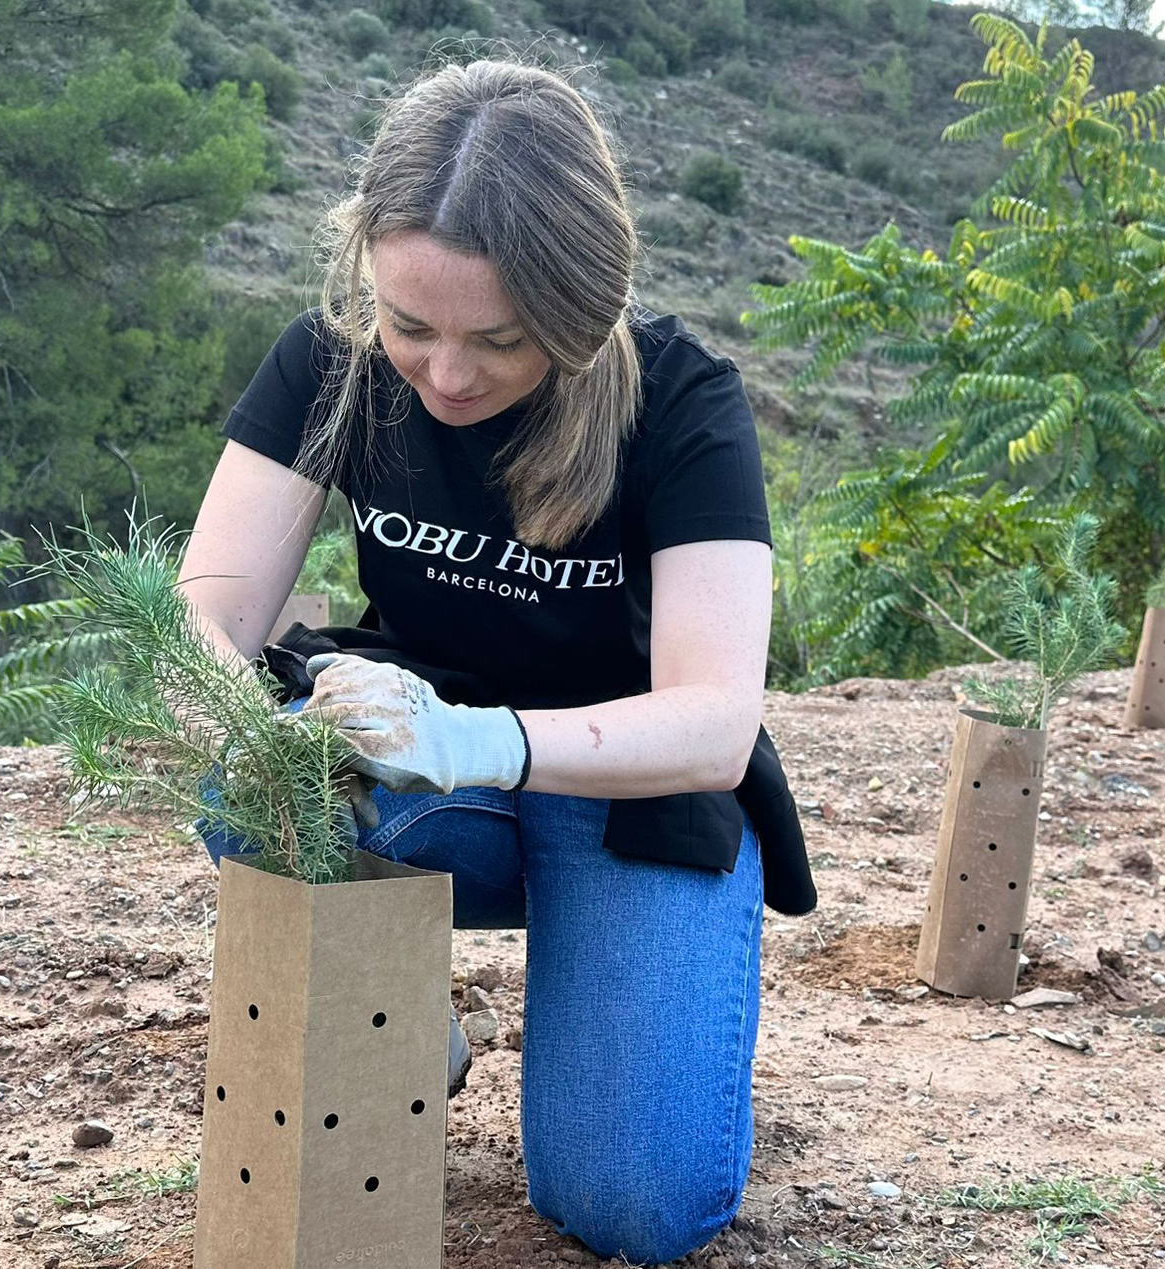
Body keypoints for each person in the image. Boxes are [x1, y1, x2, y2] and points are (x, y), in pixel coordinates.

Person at [177, 58, 814, 1266]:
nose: (448, 376)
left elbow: (714, 720)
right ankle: (404, 1005)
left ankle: (631, 997)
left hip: (625, 788)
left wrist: (481, 738)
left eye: (501, 340)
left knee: (635, 1207)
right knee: (246, 793)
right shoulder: (328, 365)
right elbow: (206, 614)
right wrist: (251, 723)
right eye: (410, 326)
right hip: (421, 780)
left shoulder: (684, 403)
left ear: (580, 308)